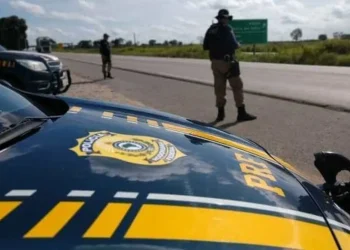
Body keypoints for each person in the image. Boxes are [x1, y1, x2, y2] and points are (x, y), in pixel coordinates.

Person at [203, 9, 256, 122]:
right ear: (224, 18)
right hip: (228, 63)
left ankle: (220, 114)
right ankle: (241, 113)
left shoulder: (211, 29)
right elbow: (235, 45)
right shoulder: (227, 29)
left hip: (215, 63)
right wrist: (238, 44)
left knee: (219, 89)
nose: (227, 20)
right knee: (237, 86)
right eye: (227, 18)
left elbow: (205, 46)